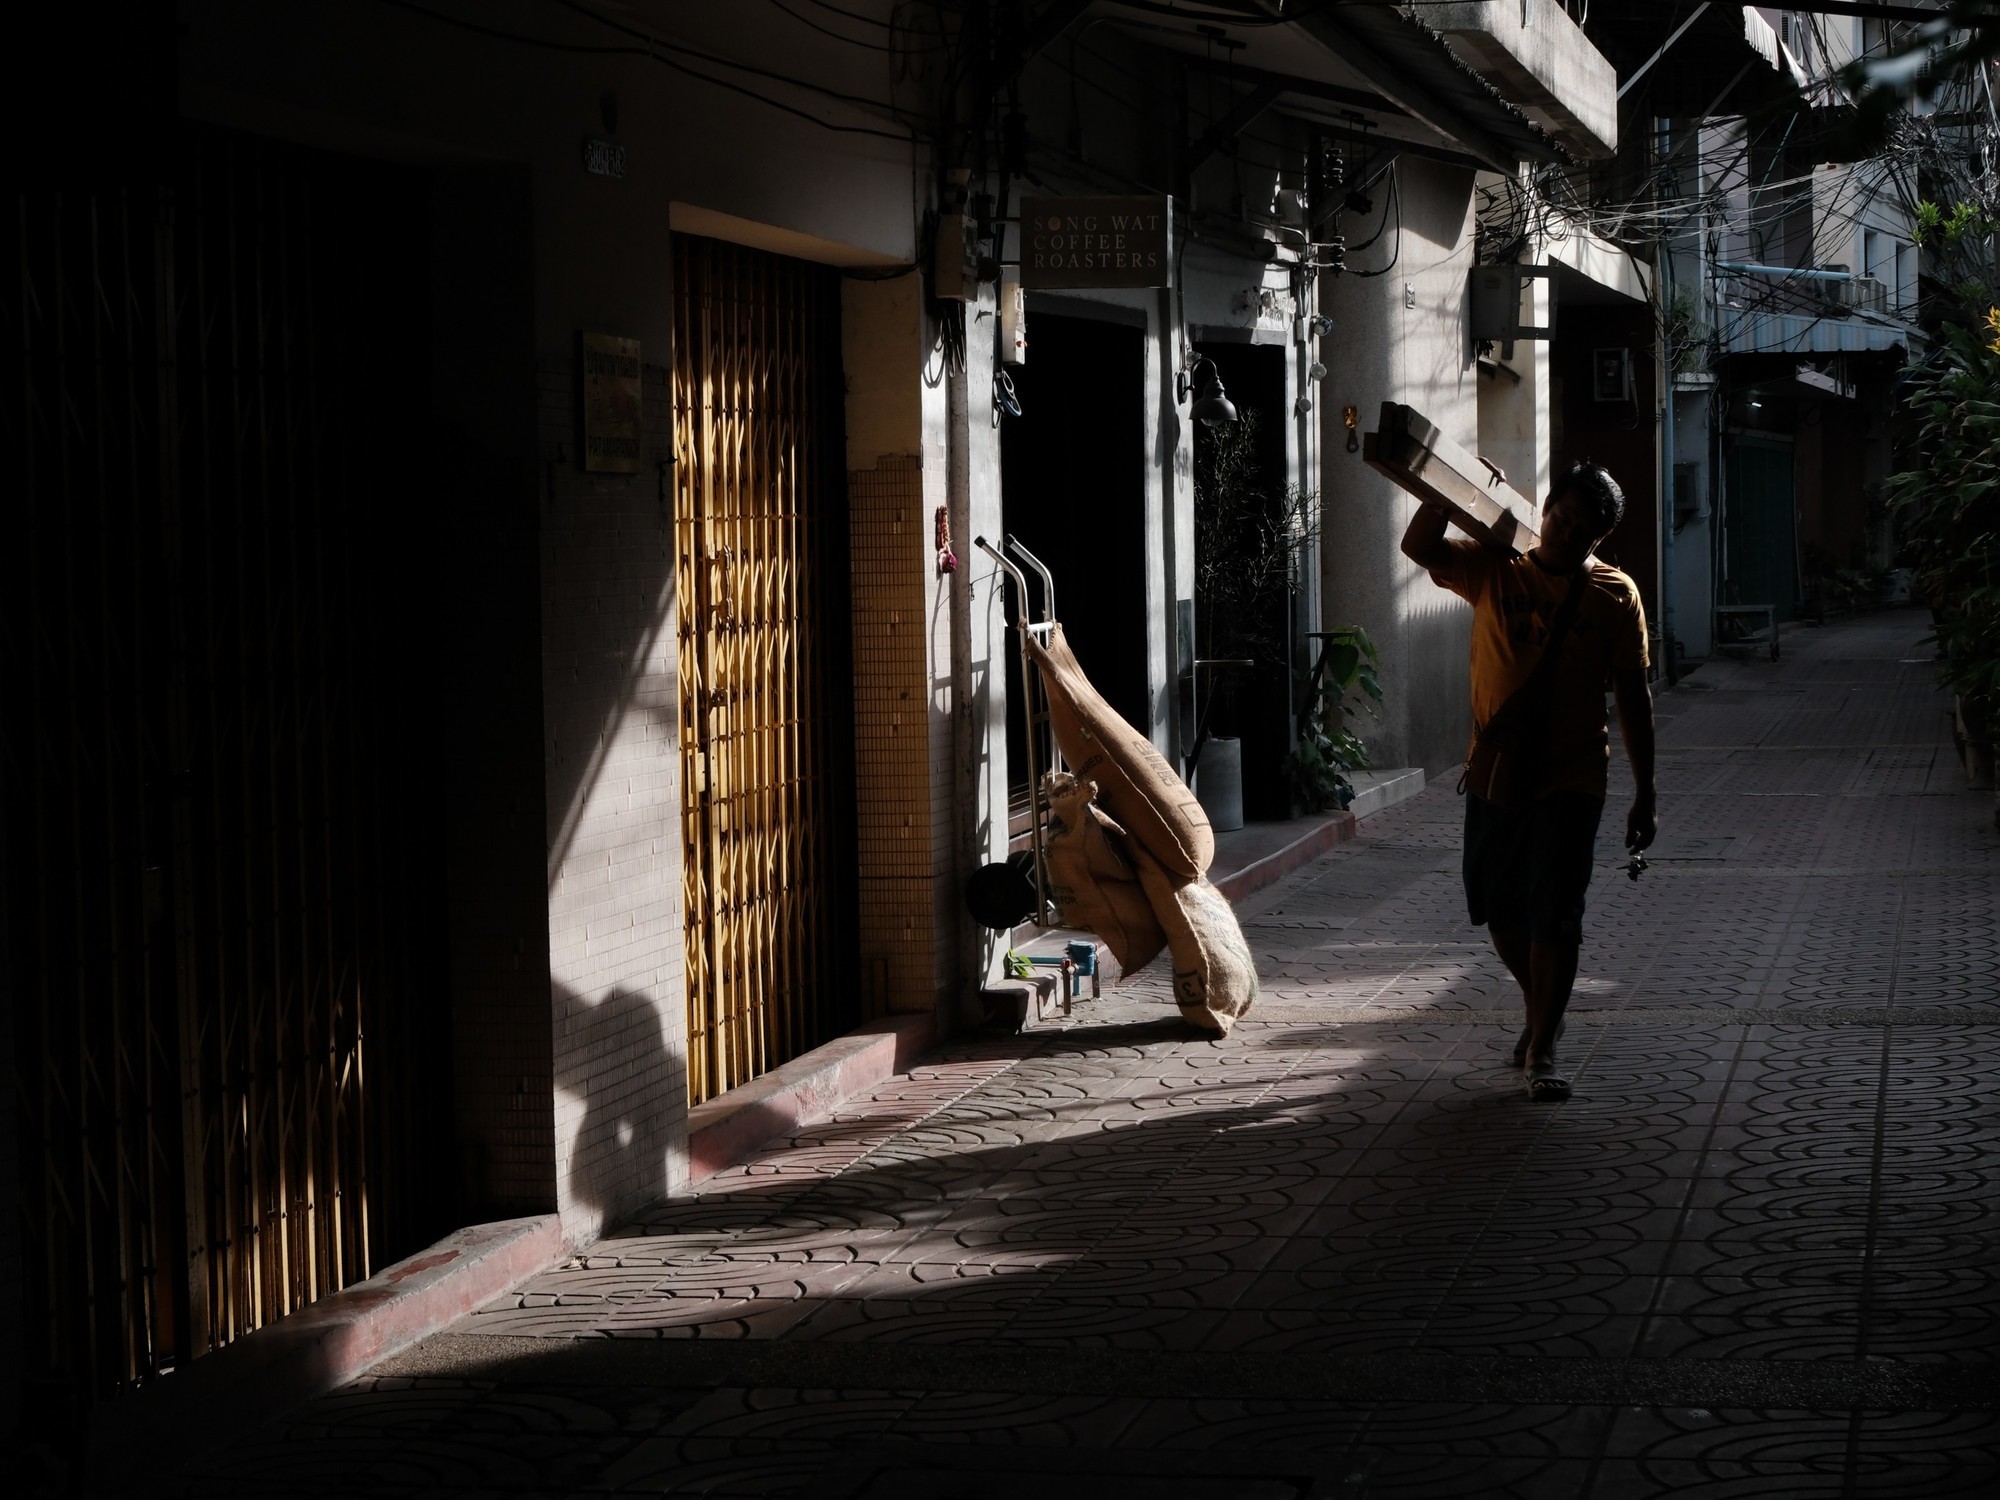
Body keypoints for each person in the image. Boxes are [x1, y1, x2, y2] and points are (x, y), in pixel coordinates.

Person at [1400, 460, 1658, 1101]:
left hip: (1573, 778)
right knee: (1497, 908)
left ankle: (1542, 1047)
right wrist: (1455, 492)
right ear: (1542, 511)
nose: (1566, 534)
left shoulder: (1616, 595)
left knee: (1557, 914)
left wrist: (1646, 790)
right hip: (1498, 771)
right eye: (1560, 519)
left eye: (1582, 531)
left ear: (1599, 538)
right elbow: (1419, 547)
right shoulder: (1495, 567)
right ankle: (1542, 1003)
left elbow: (1633, 694)